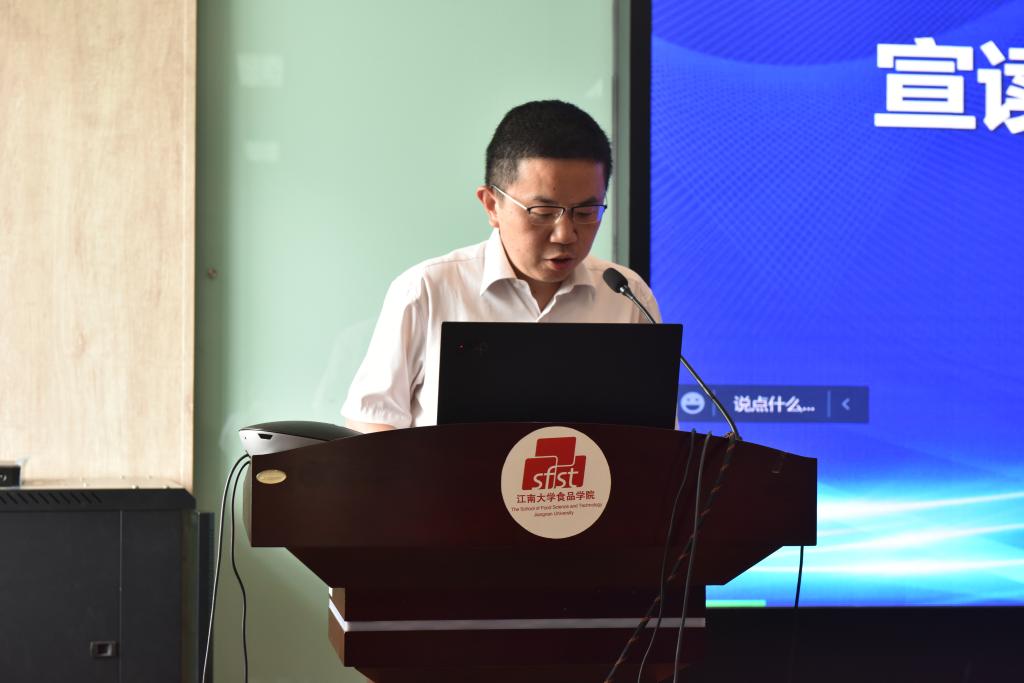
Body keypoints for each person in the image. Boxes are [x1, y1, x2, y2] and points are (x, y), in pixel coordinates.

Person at [341, 100, 660, 432]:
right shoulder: (427, 290)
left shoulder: (627, 296)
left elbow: (655, 436)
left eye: (586, 212)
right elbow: (370, 424)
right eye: (543, 212)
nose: (565, 235)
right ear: (492, 205)